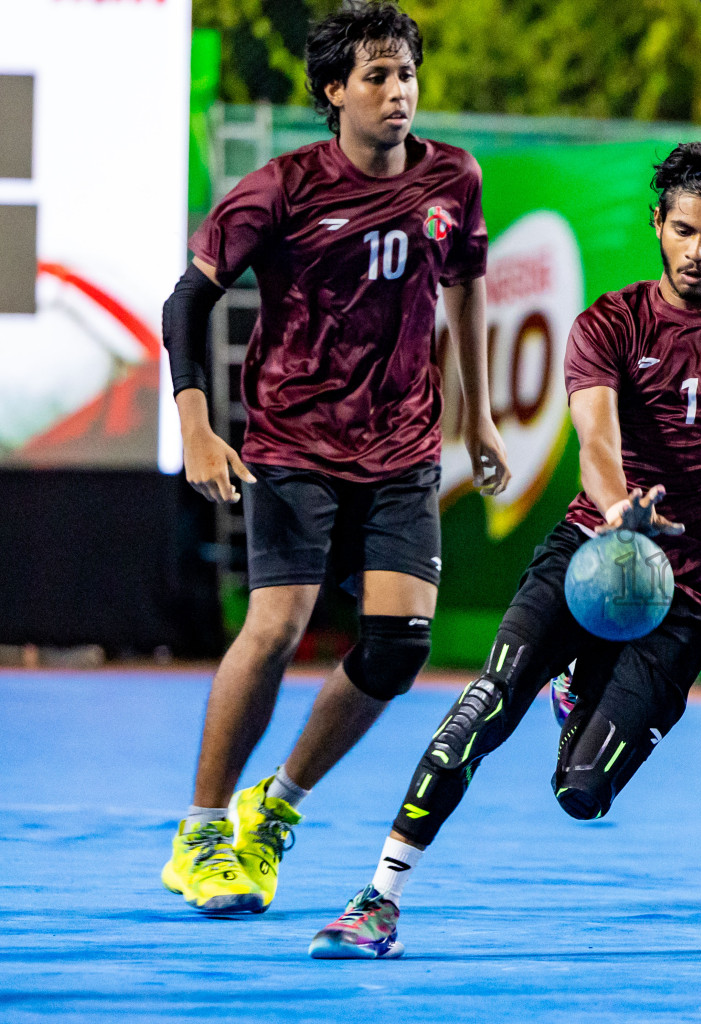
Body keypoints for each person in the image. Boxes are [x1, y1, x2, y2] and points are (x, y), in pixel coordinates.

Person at [308, 142, 701, 959]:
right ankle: (377, 900)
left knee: (582, 793)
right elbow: (595, 437)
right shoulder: (610, 324)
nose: (698, 251)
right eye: (684, 231)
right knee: (483, 709)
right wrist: (620, 505)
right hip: (593, 552)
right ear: (658, 226)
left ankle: (579, 689)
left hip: (692, 590)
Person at [158, 1, 510, 915]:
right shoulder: (279, 188)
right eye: (378, 77)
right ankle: (199, 834)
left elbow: (467, 285)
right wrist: (197, 425)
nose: (400, 94)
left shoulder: (453, 179)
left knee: (399, 648)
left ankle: (274, 809)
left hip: (402, 448)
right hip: (294, 444)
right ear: (334, 92)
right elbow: (185, 306)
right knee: (276, 628)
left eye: (408, 75)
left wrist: (475, 415)